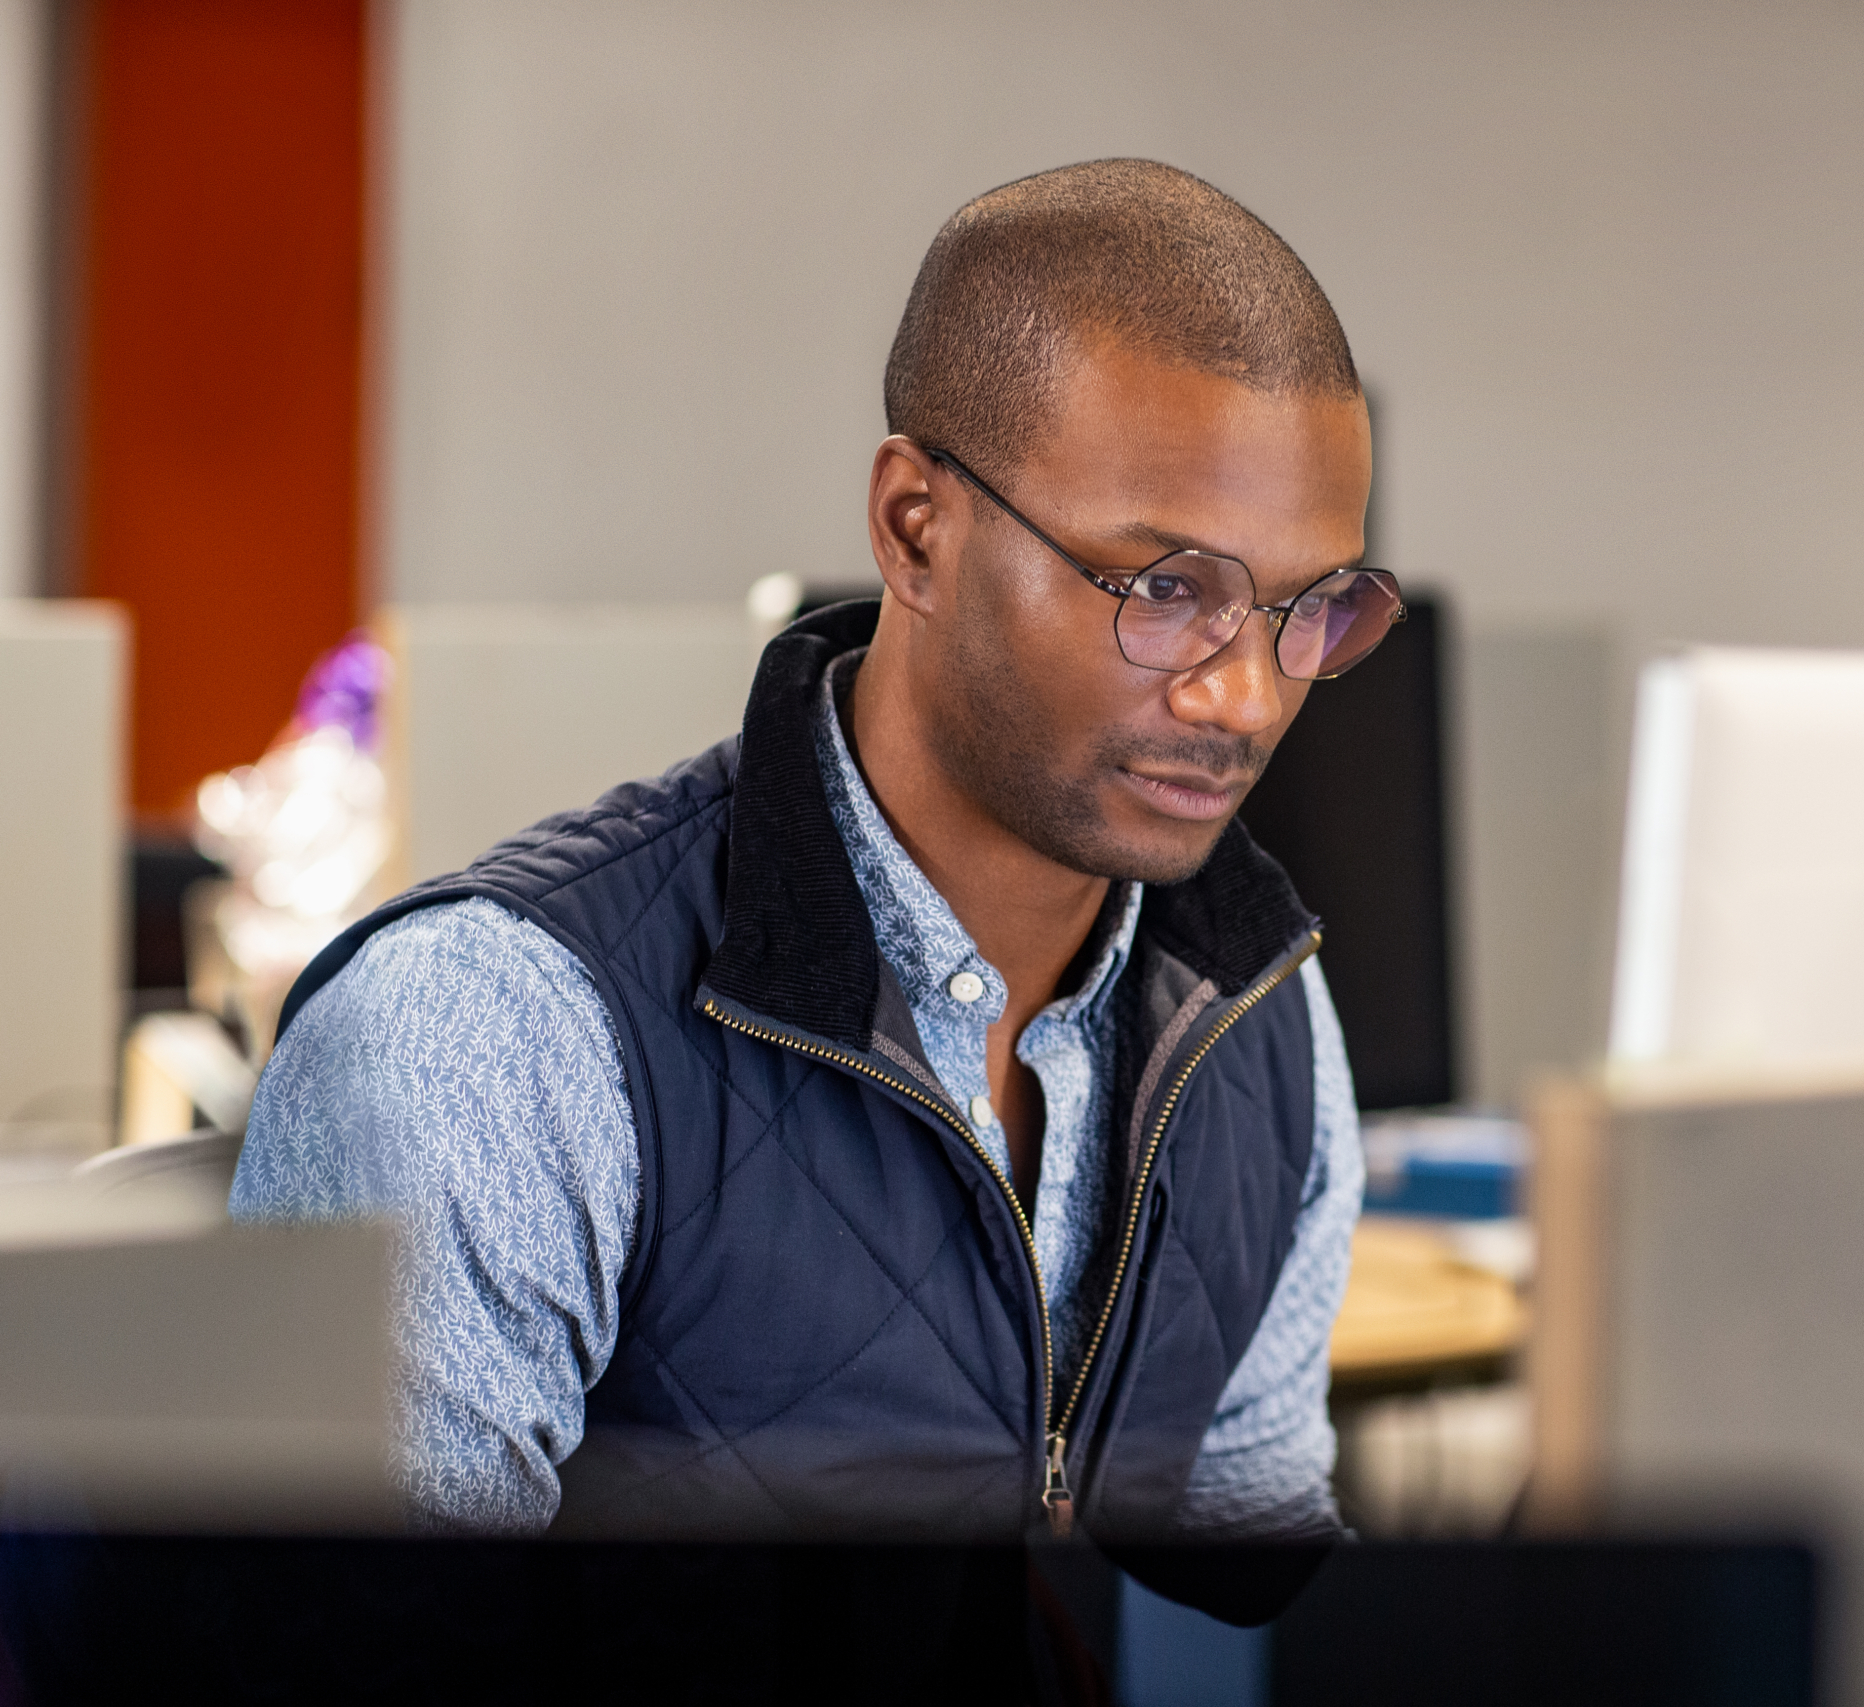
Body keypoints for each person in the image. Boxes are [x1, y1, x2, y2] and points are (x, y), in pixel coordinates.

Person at [233, 161, 1400, 1608]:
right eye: (1166, 588)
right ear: (918, 527)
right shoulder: (491, 1033)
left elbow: (1236, 1603)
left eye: (1310, 609)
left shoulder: (1261, 1010)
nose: (1246, 697)